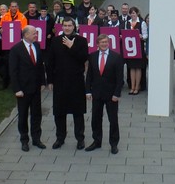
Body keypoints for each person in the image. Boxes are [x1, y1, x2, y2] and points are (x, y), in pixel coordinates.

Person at [45, 18, 89, 150]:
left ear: (74, 27)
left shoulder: (81, 41)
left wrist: (72, 47)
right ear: (62, 27)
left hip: (76, 81)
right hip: (60, 81)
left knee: (78, 112)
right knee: (59, 111)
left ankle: (80, 138)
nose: (67, 28)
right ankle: (60, 138)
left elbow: (83, 58)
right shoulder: (55, 41)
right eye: (65, 25)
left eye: (70, 25)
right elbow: (50, 62)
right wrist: (50, 80)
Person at [9, 25, 46, 152]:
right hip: (23, 90)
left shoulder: (36, 46)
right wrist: (17, 89)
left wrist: (42, 82)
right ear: (26, 35)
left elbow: (40, 66)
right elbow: (13, 71)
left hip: (36, 88)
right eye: (34, 33)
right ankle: (24, 140)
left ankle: (36, 139)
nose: (36, 35)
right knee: (23, 115)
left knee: (37, 114)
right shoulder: (16, 49)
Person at [86, 34, 124, 154]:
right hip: (97, 93)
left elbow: (120, 78)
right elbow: (89, 76)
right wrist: (88, 91)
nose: (104, 44)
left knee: (113, 120)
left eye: (106, 42)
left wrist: (117, 94)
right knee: (95, 119)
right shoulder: (92, 56)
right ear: (97, 44)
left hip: (111, 95)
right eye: (101, 42)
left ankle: (114, 143)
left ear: (109, 43)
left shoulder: (116, 57)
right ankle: (97, 141)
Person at [127, 6, 148, 95]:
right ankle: (132, 86)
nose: (132, 15)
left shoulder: (142, 23)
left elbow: (145, 35)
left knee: (138, 67)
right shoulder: (128, 22)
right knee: (132, 67)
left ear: (137, 13)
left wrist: (142, 37)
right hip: (130, 48)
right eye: (131, 13)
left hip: (138, 47)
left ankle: (137, 86)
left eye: (134, 13)